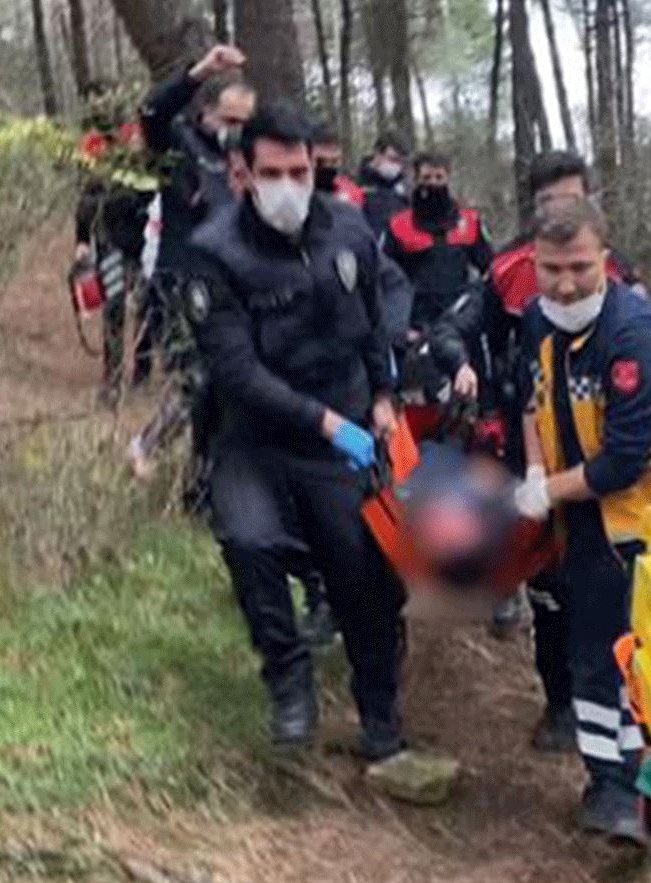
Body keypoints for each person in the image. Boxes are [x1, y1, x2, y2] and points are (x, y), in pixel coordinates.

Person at [188, 103, 408, 757]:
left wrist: (386, 395)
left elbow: (372, 324)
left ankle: (382, 720)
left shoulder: (349, 231)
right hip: (254, 438)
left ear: (317, 166)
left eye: (299, 169)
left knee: (363, 578)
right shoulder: (213, 254)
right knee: (249, 543)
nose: (288, 183)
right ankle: (288, 682)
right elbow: (236, 372)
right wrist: (326, 421)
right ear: (243, 173)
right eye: (272, 171)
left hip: (343, 434)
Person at [513, 198, 651, 841]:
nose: (565, 283)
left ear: (605, 259)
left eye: (579, 267)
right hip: (585, 507)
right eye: (551, 269)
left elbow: (625, 461)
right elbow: (530, 399)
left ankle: (642, 792)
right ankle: (616, 784)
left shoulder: (633, 336)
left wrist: (547, 490)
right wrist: (533, 475)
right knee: (596, 646)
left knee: (631, 652)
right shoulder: (536, 321)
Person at [432, 151, 641, 752]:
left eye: (571, 203)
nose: (565, 279)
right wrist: (460, 363)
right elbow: (455, 328)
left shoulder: (621, 281)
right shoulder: (506, 273)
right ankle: (560, 703)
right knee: (547, 582)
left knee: (613, 593)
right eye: (547, 205)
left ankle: (629, 735)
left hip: (610, 465)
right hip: (529, 452)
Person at [139, 44, 258, 512]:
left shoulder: (248, 162)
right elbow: (150, 113)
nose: (236, 131)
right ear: (208, 113)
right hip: (178, 282)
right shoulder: (181, 143)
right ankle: (149, 450)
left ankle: (205, 484)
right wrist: (199, 72)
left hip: (229, 288)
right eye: (229, 120)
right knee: (197, 379)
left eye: (245, 122)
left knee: (225, 388)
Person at [74, 114, 154, 403]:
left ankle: (142, 374)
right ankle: (113, 378)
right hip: (113, 246)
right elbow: (84, 204)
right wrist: (82, 241)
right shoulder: (99, 158)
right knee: (115, 307)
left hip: (147, 246)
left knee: (147, 309)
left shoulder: (152, 160)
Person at [383, 151, 495, 342]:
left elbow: (491, 271)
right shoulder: (398, 225)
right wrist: (399, 326)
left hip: (460, 322)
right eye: (427, 177)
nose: (433, 183)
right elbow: (385, 280)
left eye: (439, 177)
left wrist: (475, 308)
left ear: (448, 178)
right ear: (416, 180)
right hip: (417, 325)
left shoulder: (469, 222)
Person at [357, 132, 411, 237]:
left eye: (400, 161)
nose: (396, 165)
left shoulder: (405, 190)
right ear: (378, 154)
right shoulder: (358, 186)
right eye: (392, 159)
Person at [311, 123, 366, 209]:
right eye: (321, 161)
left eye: (334, 161)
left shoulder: (351, 191)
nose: (328, 166)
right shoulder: (298, 193)